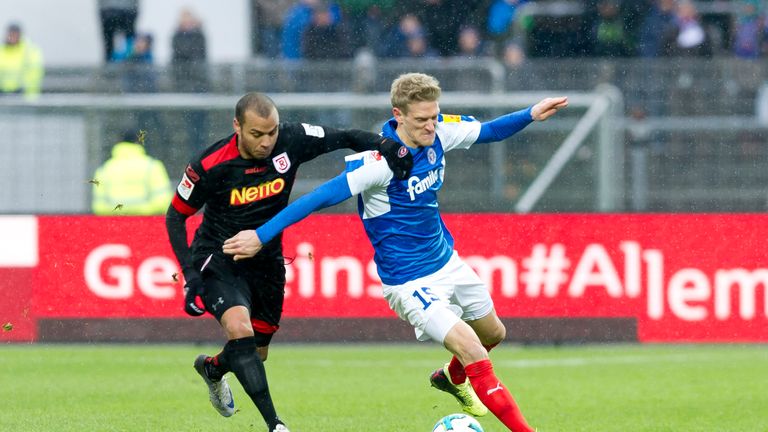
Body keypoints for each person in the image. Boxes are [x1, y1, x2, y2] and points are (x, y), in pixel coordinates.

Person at [222, 73, 567, 432]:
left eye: (434, 116)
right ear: (398, 115)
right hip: (408, 281)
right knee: (474, 351)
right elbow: (317, 198)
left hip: (447, 261)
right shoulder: (378, 162)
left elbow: (489, 131)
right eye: (421, 120)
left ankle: (451, 377)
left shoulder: (439, 131)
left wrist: (531, 113)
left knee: (493, 334)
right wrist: (260, 235)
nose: (431, 126)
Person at [164, 92, 410, 432]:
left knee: (256, 352)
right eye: (257, 134)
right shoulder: (209, 164)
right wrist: (191, 276)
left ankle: (213, 368)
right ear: (237, 126)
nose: (266, 142)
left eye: (272, 132)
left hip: (266, 261)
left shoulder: (292, 139)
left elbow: (345, 137)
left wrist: (386, 145)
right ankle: (276, 425)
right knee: (240, 330)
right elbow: (175, 216)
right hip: (219, 258)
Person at [92, 129, 173, 215]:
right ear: (138, 142)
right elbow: (163, 203)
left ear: (118, 142)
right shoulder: (152, 167)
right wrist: (140, 211)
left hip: (115, 221)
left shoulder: (104, 170)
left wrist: (122, 212)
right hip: (146, 221)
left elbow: (99, 207)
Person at [0, 23, 43, 100]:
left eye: (15, 35)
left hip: (22, 93)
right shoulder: (2, 50)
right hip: (2, 92)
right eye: (11, 35)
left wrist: (31, 97)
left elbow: (34, 76)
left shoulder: (29, 52)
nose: (12, 37)